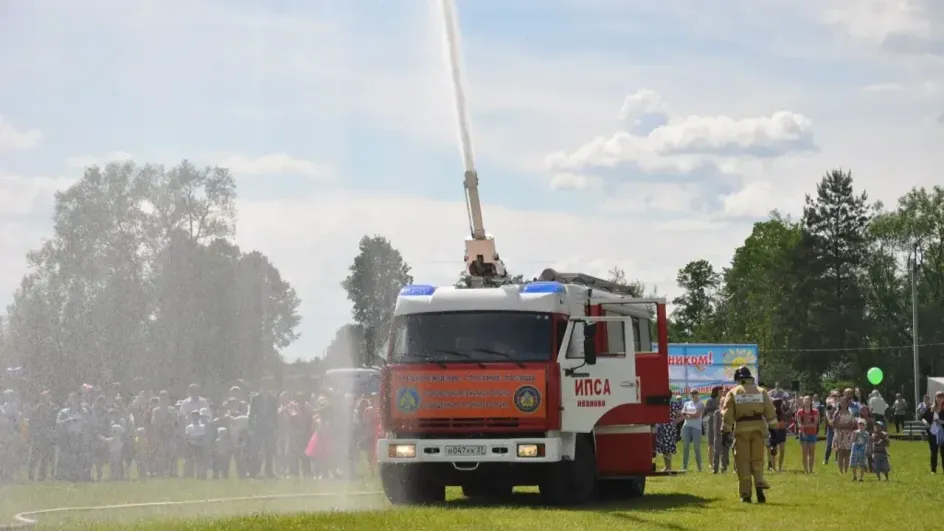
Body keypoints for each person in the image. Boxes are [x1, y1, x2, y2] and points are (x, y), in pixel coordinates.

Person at [720, 365, 777, 504]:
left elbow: (728, 414)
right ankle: (759, 486)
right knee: (757, 459)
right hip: (759, 429)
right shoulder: (761, 391)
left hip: (742, 430)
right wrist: (774, 430)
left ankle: (746, 495)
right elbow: (770, 411)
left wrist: (725, 431)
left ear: (738, 379)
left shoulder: (734, 392)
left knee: (743, 462)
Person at [680, 389, 705, 472]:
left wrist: (687, 413)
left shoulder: (701, 404)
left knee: (696, 448)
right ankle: (684, 467)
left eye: (695, 393)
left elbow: (696, 415)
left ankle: (699, 468)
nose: (693, 394)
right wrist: (689, 414)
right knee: (685, 447)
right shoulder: (687, 403)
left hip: (696, 427)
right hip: (686, 426)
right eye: (691, 393)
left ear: (697, 394)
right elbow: (682, 414)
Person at [921, 391, 944, 473]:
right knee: (934, 452)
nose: (940, 398)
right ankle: (933, 470)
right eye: (938, 397)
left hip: (942, 433)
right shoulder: (931, 408)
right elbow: (923, 418)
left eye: (941, 397)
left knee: (943, 452)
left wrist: (941, 421)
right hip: (932, 433)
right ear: (935, 398)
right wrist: (926, 423)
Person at [795, 395, 819, 473]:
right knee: (804, 452)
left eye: (809, 399)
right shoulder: (800, 412)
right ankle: (806, 470)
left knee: (812, 452)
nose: (807, 401)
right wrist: (803, 429)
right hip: (803, 433)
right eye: (806, 399)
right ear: (803, 401)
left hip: (812, 433)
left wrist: (804, 426)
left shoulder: (815, 411)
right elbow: (798, 423)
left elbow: (815, 423)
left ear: (811, 401)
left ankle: (811, 469)